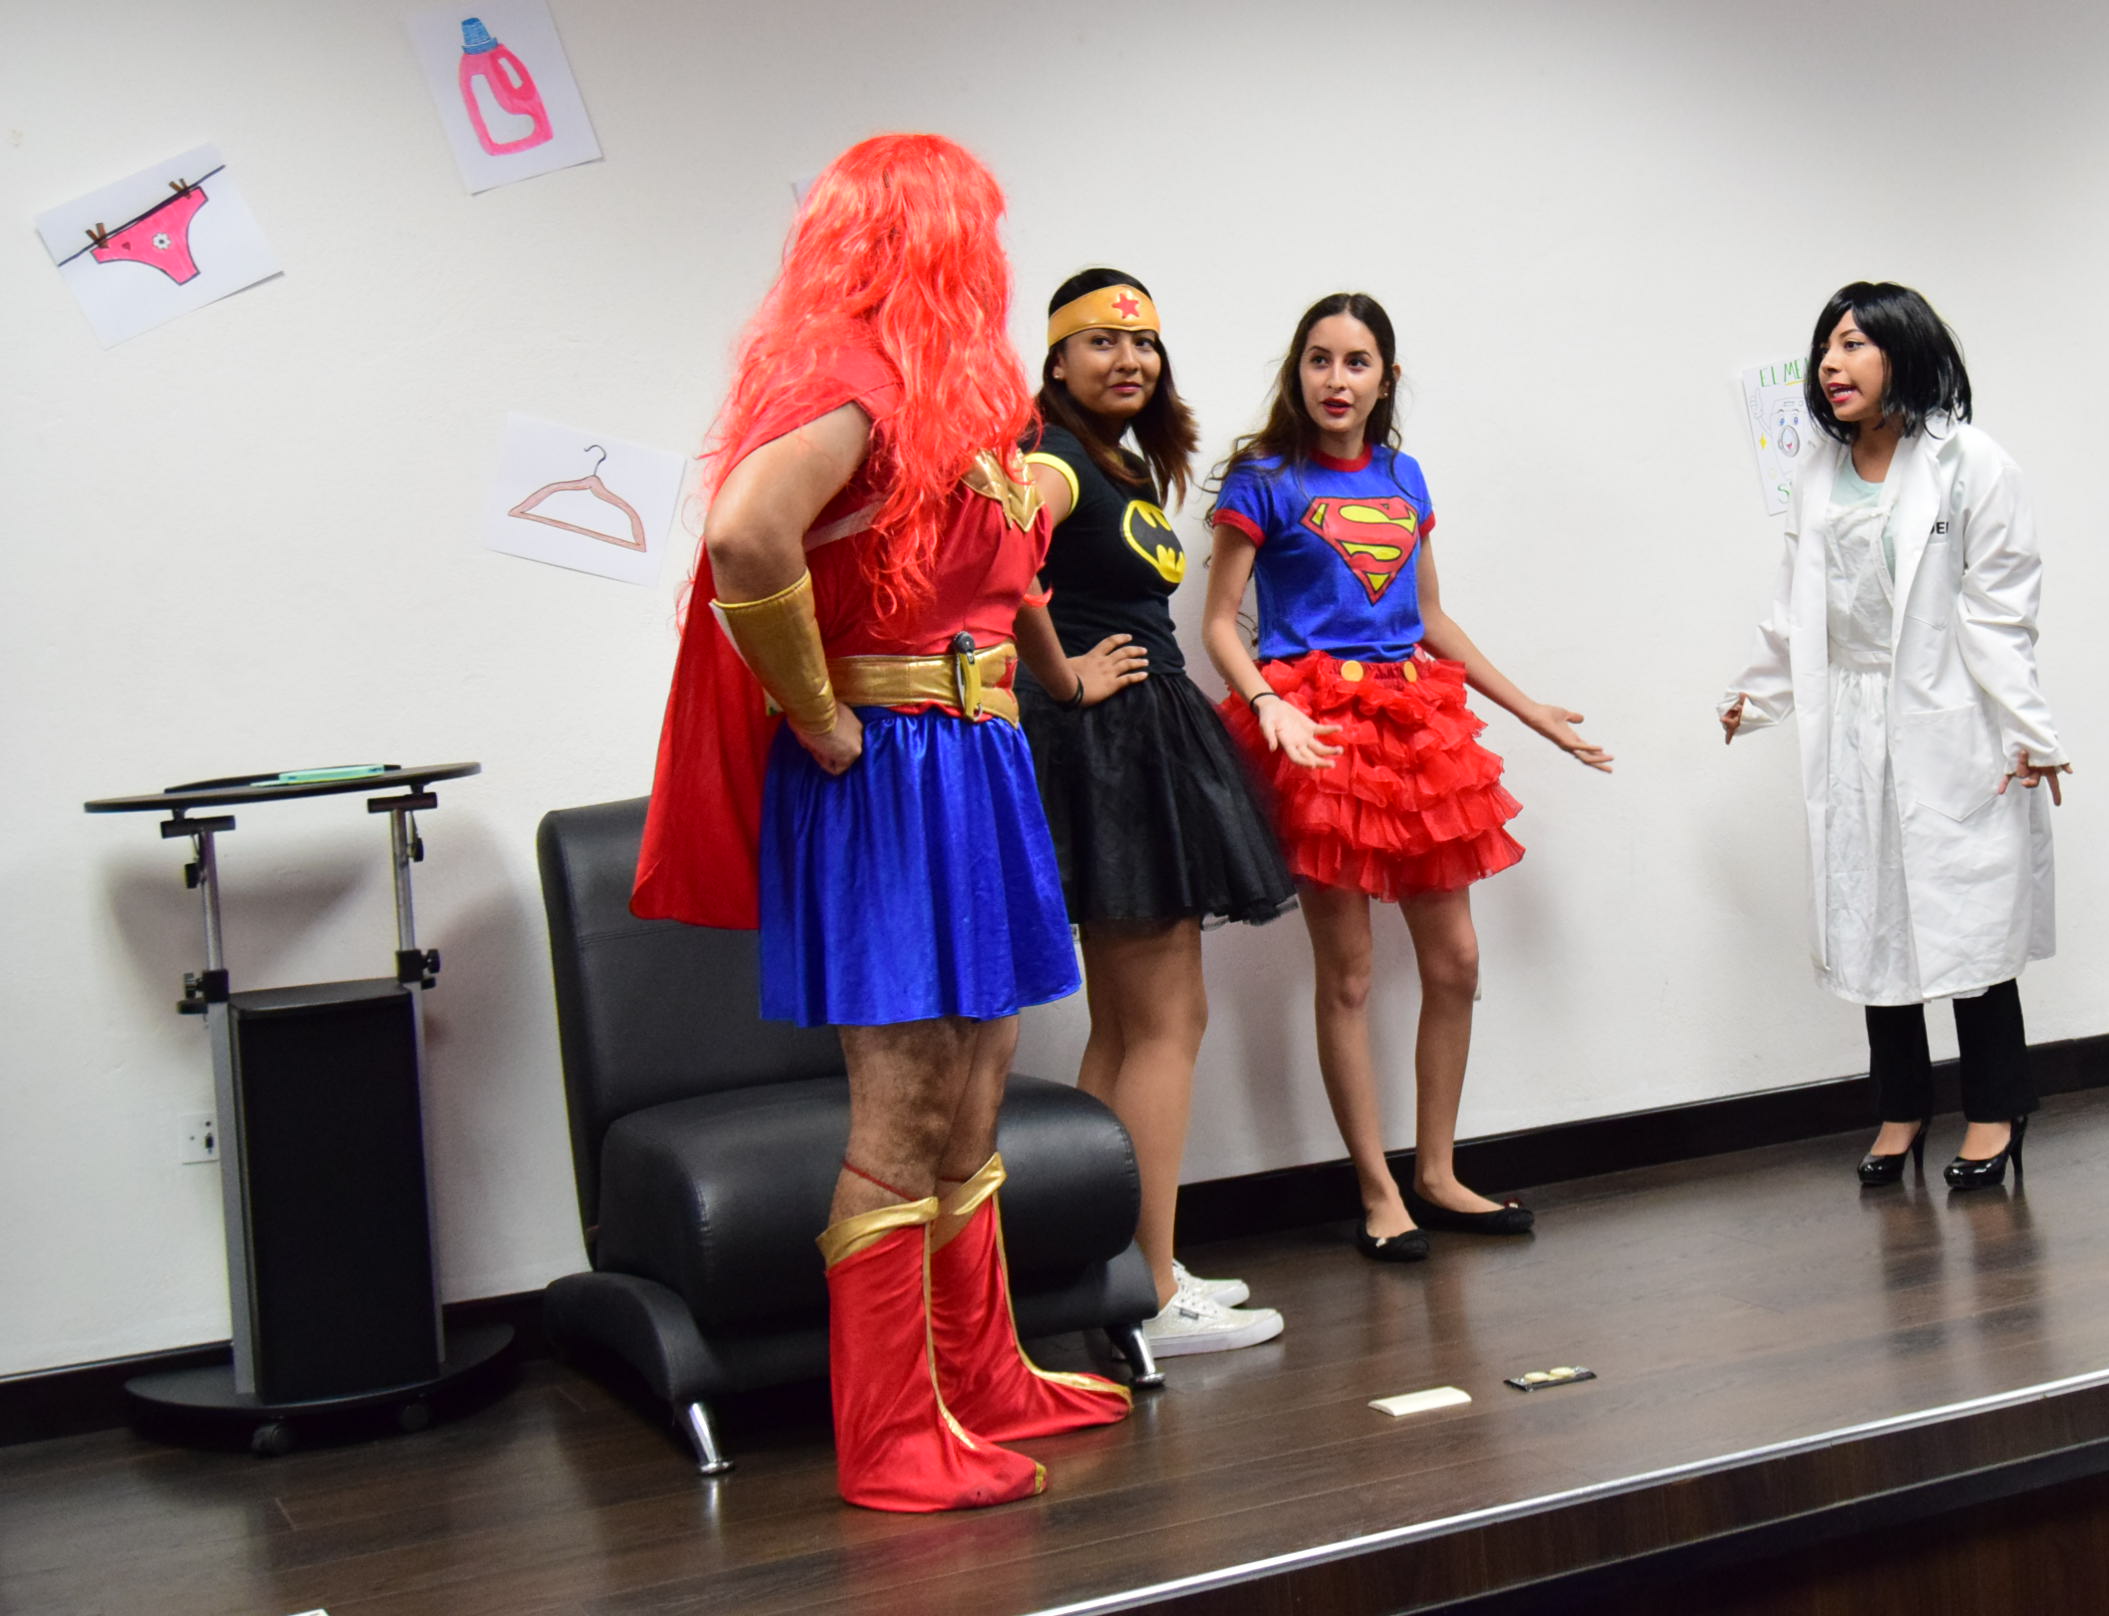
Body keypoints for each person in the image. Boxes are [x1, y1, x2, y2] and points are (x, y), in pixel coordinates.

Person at [632, 134, 1127, 1514]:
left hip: (974, 759)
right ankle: (892, 1431)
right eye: (977, 230)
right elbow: (746, 534)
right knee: (906, 1097)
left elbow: (995, 571)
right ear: (928, 238)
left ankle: (983, 1378)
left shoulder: (940, 392)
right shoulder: (853, 377)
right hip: (893, 770)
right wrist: (816, 714)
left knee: (980, 1075)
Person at [1201, 293, 1610, 1260]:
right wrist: (1266, 703)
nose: (1336, 380)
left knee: (1455, 962)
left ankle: (1437, 1172)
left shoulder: (1402, 475)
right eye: (1319, 359)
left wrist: (1530, 709)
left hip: (1415, 725)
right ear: (1297, 372)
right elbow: (1219, 621)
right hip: (1317, 727)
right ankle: (1378, 1191)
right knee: (1345, 973)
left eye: (1357, 362)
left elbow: (1430, 616)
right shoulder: (1264, 480)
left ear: (1386, 377)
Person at [1720, 282, 2070, 1193]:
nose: (1830, 365)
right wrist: (1755, 697)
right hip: (1854, 720)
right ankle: (1902, 1108)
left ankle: (1997, 1110)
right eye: (1825, 348)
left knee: (1969, 921)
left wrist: (2030, 731)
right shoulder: (1818, 470)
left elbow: (2001, 612)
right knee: (1873, 918)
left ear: (1904, 352)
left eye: (1853, 344)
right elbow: (1796, 607)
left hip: (1951, 715)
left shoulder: (1971, 463)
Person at [1018, 268, 1295, 1357]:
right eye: (1101, 341)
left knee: (1131, 1026)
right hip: (1113, 755)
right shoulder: (1051, 458)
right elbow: (995, 566)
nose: (1128, 359)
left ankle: (1118, 1271)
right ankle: (1152, 1287)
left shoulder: (1115, 460)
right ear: (1056, 361)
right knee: (1169, 1024)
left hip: (1137, 747)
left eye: (1142, 343)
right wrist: (1061, 677)